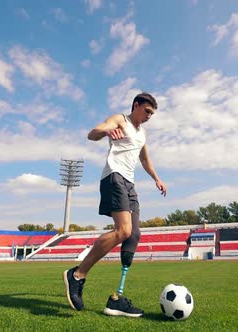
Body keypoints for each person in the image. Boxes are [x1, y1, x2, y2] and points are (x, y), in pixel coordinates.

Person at [63, 92, 167, 317]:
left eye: (152, 114)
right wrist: (108, 130)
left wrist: (156, 178)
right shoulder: (121, 119)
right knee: (123, 231)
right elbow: (93, 134)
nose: (150, 116)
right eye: (147, 111)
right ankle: (78, 274)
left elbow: (145, 159)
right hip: (114, 177)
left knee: (134, 235)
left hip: (130, 184)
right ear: (136, 105)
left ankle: (117, 299)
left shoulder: (142, 133)